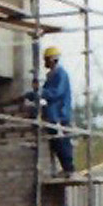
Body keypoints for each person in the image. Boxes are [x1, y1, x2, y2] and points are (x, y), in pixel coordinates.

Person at [18, 46, 76, 175]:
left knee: (62, 142)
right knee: (55, 143)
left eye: (46, 59)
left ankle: (69, 168)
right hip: (52, 115)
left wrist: (39, 93)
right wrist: (32, 95)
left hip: (60, 114)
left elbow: (56, 93)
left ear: (52, 60)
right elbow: (43, 92)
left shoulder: (61, 74)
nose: (45, 62)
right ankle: (63, 169)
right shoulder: (51, 75)